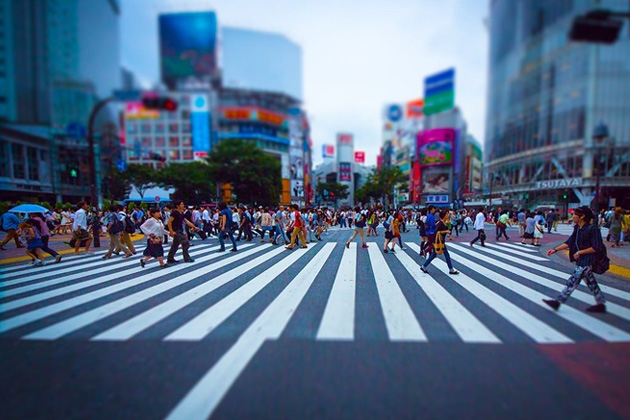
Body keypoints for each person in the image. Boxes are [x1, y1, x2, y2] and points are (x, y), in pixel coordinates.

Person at [544, 206, 606, 313]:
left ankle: (558, 302)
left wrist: (579, 252)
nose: (572, 217)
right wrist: (555, 250)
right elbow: (569, 242)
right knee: (591, 282)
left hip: (589, 260)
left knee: (573, 281)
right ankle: (600, 303)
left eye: (574, 215)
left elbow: (596, 247)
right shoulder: (577, 228)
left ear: (582, 216)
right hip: (581, 260)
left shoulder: (593, 229)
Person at [420, 209, 460, 275]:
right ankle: (451, 269)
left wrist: (448, 233)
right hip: (439, 242)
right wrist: (446, 231)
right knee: (446, 255)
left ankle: (423, 266)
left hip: (440, 242)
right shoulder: (440, 223)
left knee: (434, 255)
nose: (448, 215)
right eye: (447, 214)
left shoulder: (444, 222)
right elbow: (437, 232)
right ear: (444, 215)